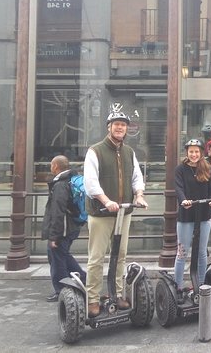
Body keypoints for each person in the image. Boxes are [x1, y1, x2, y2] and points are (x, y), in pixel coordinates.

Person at [83, 104, 148, 318]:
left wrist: (139, 195)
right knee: (97, 257)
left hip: (123, 214)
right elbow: (90, 182)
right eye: (117, 124)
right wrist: (105, 200)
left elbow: (136, 177)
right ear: (109, 127)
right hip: (101, 214)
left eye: (123, 125)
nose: (120, 128)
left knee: (120, 255)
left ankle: (117, 294)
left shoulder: (129, 152)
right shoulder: (96, 151)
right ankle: (92, 298)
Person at [174, 139, 211, 288]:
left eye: (196, 151)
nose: (194, 154)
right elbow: (179, 188)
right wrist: (184, 200)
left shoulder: (207, 168)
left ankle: (200, 286)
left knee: (201, 252)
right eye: (191, 151)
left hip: (204, 215)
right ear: (187, 152)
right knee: (182, 253)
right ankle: (178, 287)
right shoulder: (180, 169)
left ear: (201, 153)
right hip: (186, 216)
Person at [42, 155, 87, 302]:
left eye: (51, 165)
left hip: (64, 229)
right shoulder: (70, 180)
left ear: (55, 166)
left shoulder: (60, 185)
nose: (50, 167)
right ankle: (82, 278)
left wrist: (54, 236)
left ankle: (61, 289)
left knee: (57, 258)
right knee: (63, 255)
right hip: (72, 225)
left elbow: (58, 211)